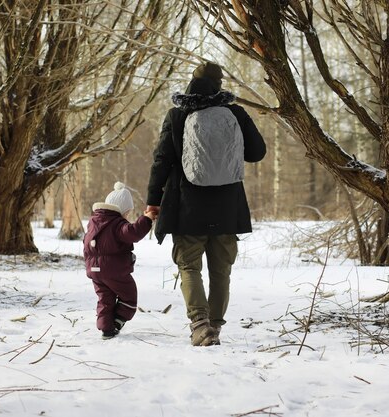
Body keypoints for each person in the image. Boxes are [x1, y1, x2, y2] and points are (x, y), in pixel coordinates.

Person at [145, 61, 266, 346]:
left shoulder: (177, 115)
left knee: (189, 268)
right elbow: (257, 153)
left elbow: (162, 161)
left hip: (187, 205)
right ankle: (215, 325)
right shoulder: (235, 113)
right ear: (219, 84)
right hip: (227, 206)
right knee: (221, 270)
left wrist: (153, 200)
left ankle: (200, 325)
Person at [84, 181, 157, 340]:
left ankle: (106, 329)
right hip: (114, 271)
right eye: (128, 213)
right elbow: (133, 233)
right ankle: (117, 321)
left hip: (95, 271)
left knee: (105, 299)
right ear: (121, 210)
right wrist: (147, 219)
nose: (128, 216)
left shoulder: (93, 222)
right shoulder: (117, 223)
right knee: (129, 297)